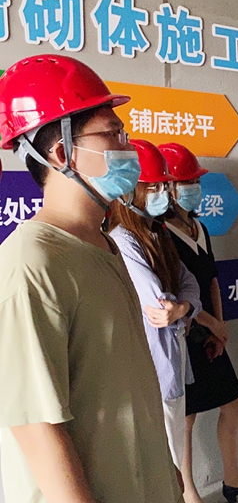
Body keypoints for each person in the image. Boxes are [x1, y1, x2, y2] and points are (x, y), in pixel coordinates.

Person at [0, 54, 182, 502]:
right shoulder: (32, 263)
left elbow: (122, 384)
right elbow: (36, 427)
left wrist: (166, 467)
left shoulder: (104, 244)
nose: (127, 147)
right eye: (112, 134)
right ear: (62, 153)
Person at [159, 142, 238, 503]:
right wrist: (210, 324)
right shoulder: (158, 234)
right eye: (186, 182)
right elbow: (172, 298)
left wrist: (219, 328)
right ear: (166, 187)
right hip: (181, 336)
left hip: (209, 333)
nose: (194, 188)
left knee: (233, 402)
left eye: (196, 181)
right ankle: (188, 493)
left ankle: (233, 477)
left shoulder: (199, 228)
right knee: (186, 418)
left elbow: (211, 281)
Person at [108, 139, 202, 475]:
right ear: (130, 192)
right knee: (160, 464)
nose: (164, 193)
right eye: (154, 187)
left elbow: (190, 283)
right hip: (150, 365)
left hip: (171, 358)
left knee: (173, 455)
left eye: (165, 185)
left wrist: (184, 307)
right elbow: (157, 305)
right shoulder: (122, 239)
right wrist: (182, 309)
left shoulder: (159, 234)